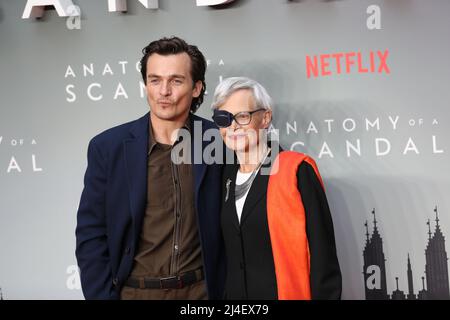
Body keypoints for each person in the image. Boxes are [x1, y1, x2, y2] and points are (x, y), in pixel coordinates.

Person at [75, 37, 225, 300]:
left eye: (176, 81)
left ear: (197, 88)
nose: (163, 91)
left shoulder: (220, 140)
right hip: (135, 293)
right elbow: (91, 235)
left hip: (202, 293)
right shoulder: (108, 147)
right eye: (155, 80)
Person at [211, 77, 342, 300]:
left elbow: (323, 258)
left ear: (265, 117)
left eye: (243, 116)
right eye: (224, 118)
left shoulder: (296, 170)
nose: (233, 127)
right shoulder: (224, 176)